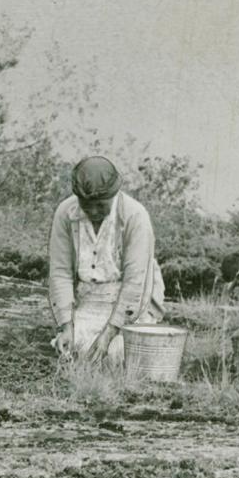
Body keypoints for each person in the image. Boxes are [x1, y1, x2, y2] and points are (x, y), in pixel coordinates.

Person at [48, 155, 165, 363]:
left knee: (116, 354)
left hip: (133, 301)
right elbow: (60, 271)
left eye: (101, 205)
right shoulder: (65, 213)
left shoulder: (135, 216)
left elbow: (136, 281)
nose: (93, 211)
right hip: (91, 299)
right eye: (86, 204)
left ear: (114, 194)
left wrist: (110, 333)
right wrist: (66, 325)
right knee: (73, 349)